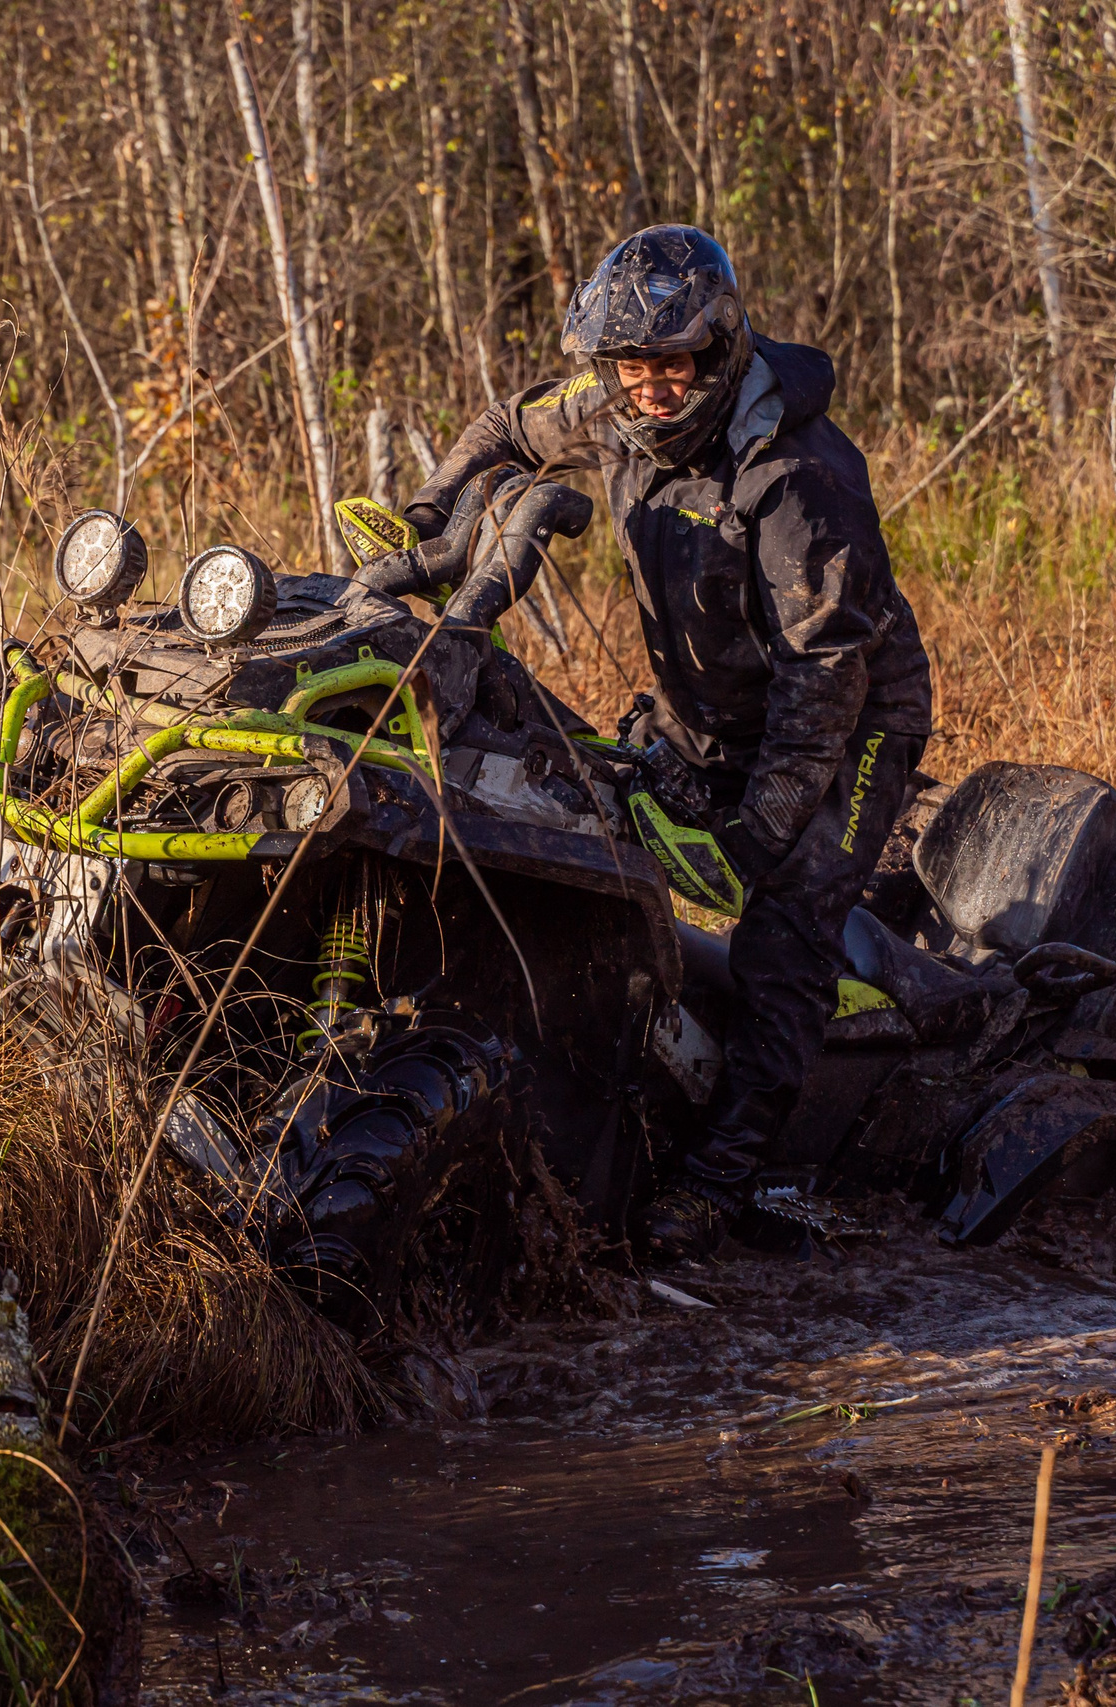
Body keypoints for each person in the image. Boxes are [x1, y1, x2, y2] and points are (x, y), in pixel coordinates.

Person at [392, 224, 934, 1258]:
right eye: (631, 366)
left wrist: (757, 835)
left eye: (673, 365)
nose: (651, 389)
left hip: (852, 719)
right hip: (709, 704)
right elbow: (506, 425)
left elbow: (826, 680)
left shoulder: (799, 476)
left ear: (719, 347)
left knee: (781, 935)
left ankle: (720, 1180)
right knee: (575, 810)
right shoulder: (616, 408)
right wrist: (429, 514)